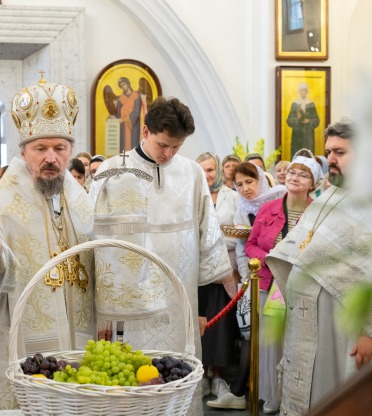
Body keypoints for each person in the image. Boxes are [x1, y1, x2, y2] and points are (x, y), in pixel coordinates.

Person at [0, 76, 93, 415]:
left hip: (80, 340)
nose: (51, 158)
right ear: (23, 152)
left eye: (60, 148)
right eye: (40, 149)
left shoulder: (85, 205)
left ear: (70, 152)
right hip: (23, 343)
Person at [89, 97, 233, 415]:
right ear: (145, 131)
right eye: (163, 145)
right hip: (129, 307)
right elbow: (95, 242)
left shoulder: (192, 173)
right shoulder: (111, 172)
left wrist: (210, 302)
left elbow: (207, 237)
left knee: (176, 377)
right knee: (130, 384)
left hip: (178, 299)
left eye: (177, 147)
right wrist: (102, 311)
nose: (168, 154)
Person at [266, 120, 372, 416]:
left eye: (340, 152)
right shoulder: (331, 195)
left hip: (343, 326)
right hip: (308, 319)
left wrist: (370, 332)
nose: (331, 160)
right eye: (328, 152)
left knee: (335, 391)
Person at [244, 156, 322, 414]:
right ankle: (271, 396)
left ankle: (297, 398)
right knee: (270, 343)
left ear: (313, 183)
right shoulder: (269, 209)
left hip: (302, 285)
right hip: (270, 283)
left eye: (303, 174)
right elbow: (251, 245)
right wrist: (271, 259)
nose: (294, 177)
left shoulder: (318, 212)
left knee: (299, 341)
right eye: (291, 172)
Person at [207, 162, 286, 410]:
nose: (245, 189)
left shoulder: (279, 200)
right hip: (254, 279)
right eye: (239, 184)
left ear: (261, 179)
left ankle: (272, 393)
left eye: (249, 182)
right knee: (250, 334)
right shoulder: (242, 209)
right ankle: (244, 392)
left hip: (279, 277)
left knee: (275, 337)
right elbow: (243, 248)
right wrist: (246, 278)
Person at [195, 152, 240, 400]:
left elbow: (238, 233)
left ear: (219, 171)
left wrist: (212, 241)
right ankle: (201, 376)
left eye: (211, 170)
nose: (207, 175)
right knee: (200, 324)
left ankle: (219, 377)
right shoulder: (190, 195)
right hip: (197, 271)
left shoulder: (232, 197)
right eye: (202, 170)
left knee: (221, 326)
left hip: (225, 271)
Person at [287, 82, 320, 159]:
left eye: (305, 90)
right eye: (301, 90)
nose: (303, 92)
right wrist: (298, 119)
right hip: (297, 136)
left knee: (308, 156)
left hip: (308, 136)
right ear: (299, 91)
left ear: (307, 91)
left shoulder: (311, 104)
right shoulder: (295, 104)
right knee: (297, 155)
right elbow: (289, 121)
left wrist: (309, 121)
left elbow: (317, 121)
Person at [113, 77, 142, 150]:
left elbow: (136, 112)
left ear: (128, 83)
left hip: (133, 126)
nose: (123, 87)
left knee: (133, 145)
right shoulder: (121, 98)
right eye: (121, 86)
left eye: (124, 84)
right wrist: (113, 117)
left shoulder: (136, 96)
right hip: (123, 127)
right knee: (123, 147)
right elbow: (118, 114)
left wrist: (124, 119)